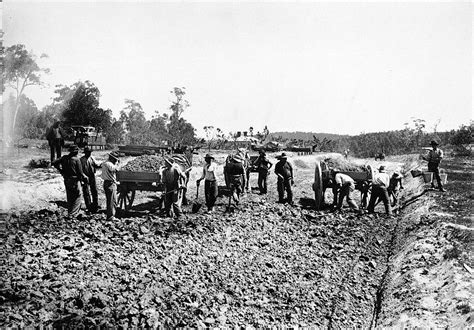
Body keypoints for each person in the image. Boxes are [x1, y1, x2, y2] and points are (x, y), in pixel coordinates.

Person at [52, 145, 88, 217]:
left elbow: (54, 162)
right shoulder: (76, 160)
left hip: (66, 179)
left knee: (70, 196)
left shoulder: (64, 158)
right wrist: (85, 179)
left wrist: (61, 170)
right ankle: (73, 214)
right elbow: (80, 173)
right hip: (74, 180)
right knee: (78, 196)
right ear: (75, 152)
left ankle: (70, 212)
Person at [80, 146, 101, 213]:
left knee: (94, 191)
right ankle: (88, 206)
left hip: (92, 176)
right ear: (85, 153)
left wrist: (101, 165)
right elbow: (80, 170)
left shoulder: (92, 158)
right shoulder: (81, 159)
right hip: (85, 176)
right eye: (88, 152)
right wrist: (84, 176)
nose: (89, 154)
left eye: (89, 152)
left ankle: (95, 205)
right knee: (86, 192)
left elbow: (96, 164)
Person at [101, 152, 120, 221]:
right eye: (115, 159)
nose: (115, 160)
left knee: (111, 200)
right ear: (112, 158)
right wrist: (117, 163)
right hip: (110, 183)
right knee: (112, 200)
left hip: (107, 183)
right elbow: (115, 169)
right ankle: (110, 216)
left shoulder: (105, 163)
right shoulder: (109, 164)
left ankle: (110, 215)